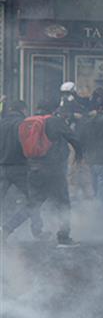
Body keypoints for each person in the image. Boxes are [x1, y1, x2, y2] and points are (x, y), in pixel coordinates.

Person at [2, 101, 81, 246]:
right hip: (53, 170)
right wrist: (79, 156)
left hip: (34, 169)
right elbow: (74, 138)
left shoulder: (28, 122)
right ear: (53, 110)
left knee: (33, 204)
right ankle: (63, 237)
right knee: (63, 202)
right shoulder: (54, 121)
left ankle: (6, 229)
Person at [0, 101, 43, 240]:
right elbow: (30, 146)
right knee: (34, 199)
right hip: (19, 167)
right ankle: (34, 230)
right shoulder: (24, 124)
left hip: (1, 167)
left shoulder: (1, 123)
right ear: (24, 110)